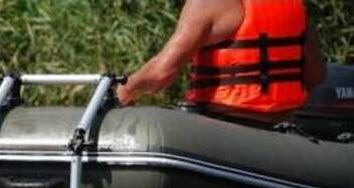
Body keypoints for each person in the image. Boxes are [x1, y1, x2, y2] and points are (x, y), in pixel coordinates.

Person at [116, 0, 326, 121]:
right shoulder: (292, 4)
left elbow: (160, 74)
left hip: (227, 129)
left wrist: (125, 90)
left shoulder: (207, 3)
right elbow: (316, 74)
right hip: (282, 127)